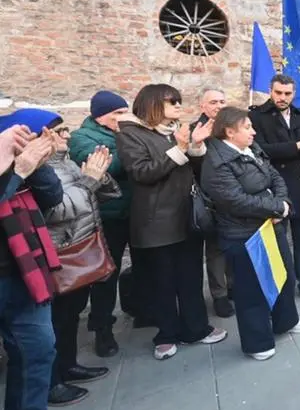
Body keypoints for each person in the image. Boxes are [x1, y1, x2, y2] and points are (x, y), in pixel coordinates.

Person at [117, 84, 227, 360]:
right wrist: (180, 148)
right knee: (162, 282)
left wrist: (196, 147)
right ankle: (166, 334)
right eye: (172, 101)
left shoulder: (176, 132)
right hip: (156, 222)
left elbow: (193, 171)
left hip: (186, 216)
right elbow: (142, 173)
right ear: (152, 104)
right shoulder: (131, 135)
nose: (179, 106)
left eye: (179, 101)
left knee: (190, 278)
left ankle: (196, 327)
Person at [201, 107, 300, 360]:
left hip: (271, 225)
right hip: (244, 234)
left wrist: (281, 204)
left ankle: (286, 320)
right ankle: (258, 342)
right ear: (229, 132)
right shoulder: (216, 163)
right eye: (247, 127)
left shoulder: (252, 149)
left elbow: (275, 177)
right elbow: (234, 201)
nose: (253, 131)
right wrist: (274, 206)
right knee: (252, 290)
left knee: (283, 275)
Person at [0, 115, 76, 410]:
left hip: (21, 271)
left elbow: (51, 197)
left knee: (37, 349)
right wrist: (14, 172)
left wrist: (36, 163)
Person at [42, 117, 119, 406]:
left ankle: (68, 365)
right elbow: (55, 211)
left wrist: (100, 175)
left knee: (70, 315)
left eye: (66, 130)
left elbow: (107, 194)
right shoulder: (41, 170)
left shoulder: (67, 162)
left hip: (83, 246)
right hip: (61, 252)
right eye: (60, 132)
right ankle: (52, 383)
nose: (67, 136)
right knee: (53, 321)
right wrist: (89, 180)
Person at [249, 74, 300, 300]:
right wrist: (297, 146)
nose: (282, 97)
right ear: (270, 90)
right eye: (278, 93)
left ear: (293, 94)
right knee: (278, 242)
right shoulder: (256, 116)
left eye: (287, 93)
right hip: (277, 188)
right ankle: (281, 287)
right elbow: (261, 150)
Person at [68, 90, 131, 358]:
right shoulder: (83, 138)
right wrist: (131, 146)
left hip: (133, 212)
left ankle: (138, 308)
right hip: (108, 216)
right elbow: (106, 167)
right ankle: (102, 327)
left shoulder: (121, 134)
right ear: (101, 115)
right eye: (118, 113)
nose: (122, 118)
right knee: (106, 274)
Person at [189, 88, 234, 318]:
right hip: (210, 200)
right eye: (213, 102)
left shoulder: (230, 126)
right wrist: (197, 145)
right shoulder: (195, 130)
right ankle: (220, 294)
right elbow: (194, 166)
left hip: (234, 196)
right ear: (203, 106)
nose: (218, 105)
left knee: (235, 245)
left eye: (222, 101)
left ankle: (234, 286)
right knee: (216, 250)